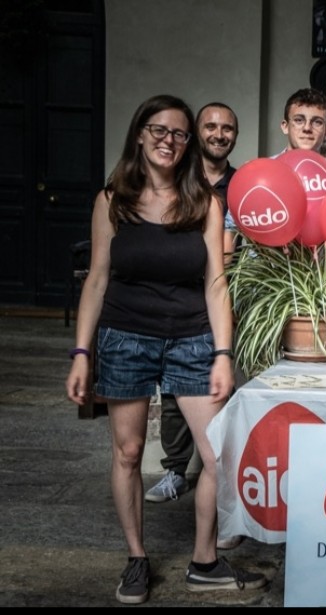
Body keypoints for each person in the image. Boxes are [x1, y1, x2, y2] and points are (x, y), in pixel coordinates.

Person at [65, 94, 266, 604]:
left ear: (188, 142)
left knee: (218, 455)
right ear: (140, 134)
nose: (168, 140)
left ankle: (204, 561)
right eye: (158, 129)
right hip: (125, 337)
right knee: (129, 452)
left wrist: (223, 354)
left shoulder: (206, 202)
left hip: (193, 338)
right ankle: (137, 558)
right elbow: (96, 280)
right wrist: (82, 353)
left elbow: (216, 284)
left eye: (178, 133)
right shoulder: (112, 200)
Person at [144, 102, 238, 508]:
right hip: (180, 299)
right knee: (172, 396)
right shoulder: (178, 177)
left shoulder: (243, 184)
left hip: (225, 295)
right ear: (197, 133)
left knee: (221, 387)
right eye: (210, 126)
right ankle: (176, 471)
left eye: (227, 128)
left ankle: (224, 482)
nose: (219, 134)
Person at [278, 87, 326, 155]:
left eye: (317, 122)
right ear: (285, 127)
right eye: (299, 120)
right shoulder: (267, 162)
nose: (307, 128)